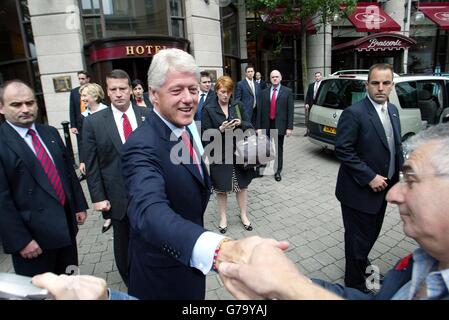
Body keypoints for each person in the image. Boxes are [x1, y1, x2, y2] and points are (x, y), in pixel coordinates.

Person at [121, 48, 284, 300]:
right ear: (153, 94)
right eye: (176, 90)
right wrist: (220, 249)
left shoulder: (184, 128)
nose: (188, 99)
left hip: (190, 266)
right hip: (163, 278)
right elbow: (149, 213)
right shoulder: (141, 144)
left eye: (193, 89)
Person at [219, 123, 449, 300]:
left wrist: (290, 286)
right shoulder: (420, 262)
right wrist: (289, 280)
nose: (392, 195)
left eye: (410, 179)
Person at [0, 80, 88, 277]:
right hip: (32, 242)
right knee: (38, 292)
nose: (25, 109)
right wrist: (20, 241)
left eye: (30, 103)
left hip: (64, 229)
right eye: (16, 104)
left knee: (69, 284)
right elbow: (1, 201)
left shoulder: (49, 132)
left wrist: (79, 205)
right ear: (1, 107)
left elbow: (67, 172)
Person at [335, 63, 403, 293]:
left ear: (392, 86)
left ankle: (362, 265)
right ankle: (353, 285)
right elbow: (343, 150)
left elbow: (395, 146)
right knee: (356, 241)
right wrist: (369, 176)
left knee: (369, 236)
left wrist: (401, 177)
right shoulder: (354, 113)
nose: (380, 88)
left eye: (386, 83)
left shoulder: (392, 110)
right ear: (367, 85)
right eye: (375, 83)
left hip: (382, 191)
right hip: (358, 192)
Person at [82, 69, 149, 286]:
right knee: (124, 245)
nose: (119, 93)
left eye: (123, 89)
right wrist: (98, 197)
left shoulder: (146, 115)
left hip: (148, 193)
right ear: (107, 92)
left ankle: (151, 275)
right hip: (118, 197)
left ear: (130, 90)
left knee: (151, 238)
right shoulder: (94, 123)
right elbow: (92, 165)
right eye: (114, 89)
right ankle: (131, 282)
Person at [201, 76, 255, 234]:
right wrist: (220, 129)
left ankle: (244, 215)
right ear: (216, 91)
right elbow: (205, 135)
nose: (226, 95)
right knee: (221, 188)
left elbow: (250, 126)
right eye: (223, 92)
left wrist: (240, 123)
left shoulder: (237, 105)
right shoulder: (208, 109)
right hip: (218, 153)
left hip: (239, 152)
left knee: (242, 186)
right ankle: (223, 218)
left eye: (229, 92)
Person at [77, 83, 110, 232]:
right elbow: (83, 141)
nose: (82, 98)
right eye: (81, 95)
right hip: (92, 159)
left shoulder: (107, 113)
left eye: (85, 95)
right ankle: (107, 215)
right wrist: (83, 160)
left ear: (95, 96)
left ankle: (111, 215)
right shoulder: (83, 116)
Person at [256, 70, 294, 182]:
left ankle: (277, 171)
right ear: (270, 78)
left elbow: (290, 111)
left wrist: (289, 127)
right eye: (273, 77)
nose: (275, 78)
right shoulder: (264, 92)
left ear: (281, 78)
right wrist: (258, 127)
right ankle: (262, 168)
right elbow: (259, 111)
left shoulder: (287, 92)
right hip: (266, 124)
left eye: (277, 77)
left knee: (278, 149)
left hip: (280, 125)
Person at [69, 71, 91, 161]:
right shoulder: (74, 92)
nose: (81, 81)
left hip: (91, 120)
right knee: (81, 144)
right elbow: (72, 109)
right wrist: (73, 126)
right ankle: (83, 163)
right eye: (79, 79)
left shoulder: (93, 90)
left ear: (88, 79)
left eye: (83, 78)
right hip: (80, 123)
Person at [304, 71, 322, 137]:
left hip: (319, 105)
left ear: (321, 76)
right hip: (311, 104)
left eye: (318, 76)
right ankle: (308, 131)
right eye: (316, 76)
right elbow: (308, 95)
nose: (317, 77)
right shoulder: (311, 85)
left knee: (319, 118)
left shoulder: (323, 84)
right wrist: (306, 103)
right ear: (315, 77)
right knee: (310, 118)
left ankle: (318, 132)